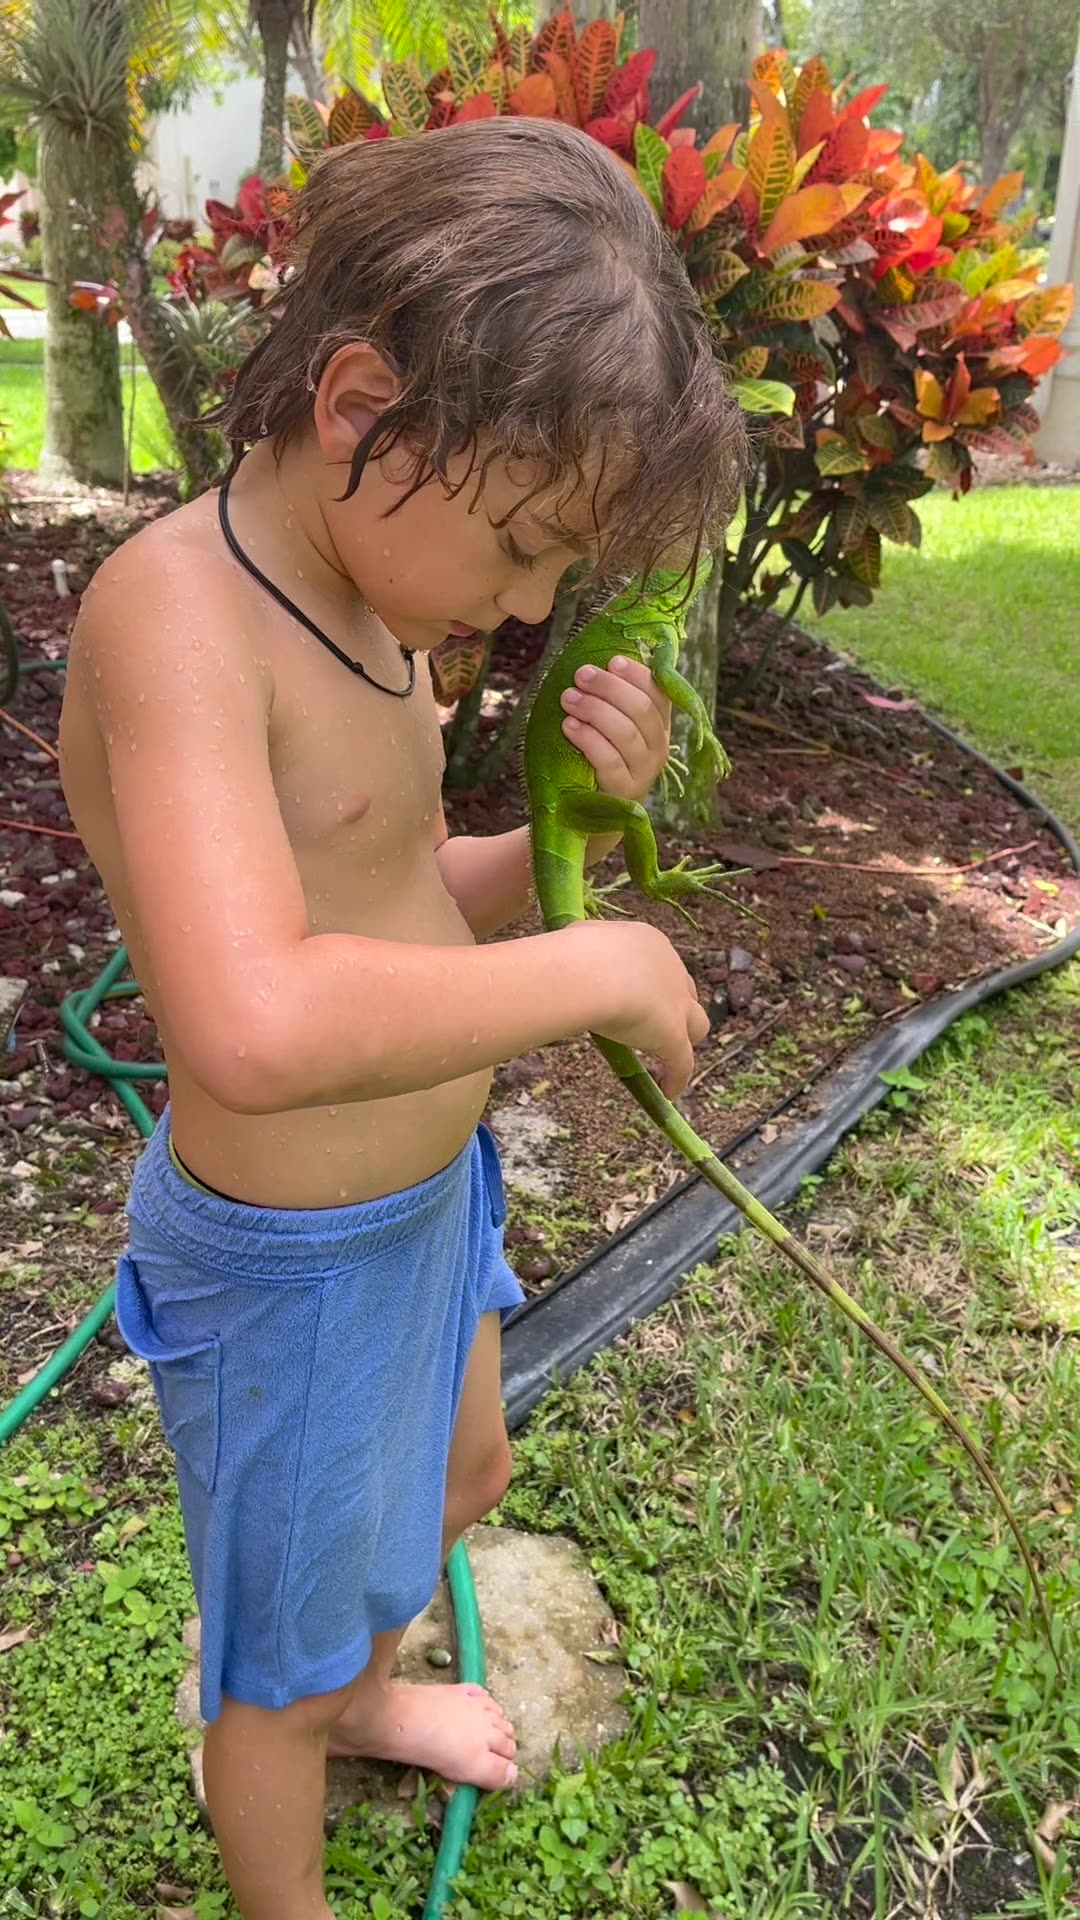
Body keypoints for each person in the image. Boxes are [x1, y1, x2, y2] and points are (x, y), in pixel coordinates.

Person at [58, 116, 744, 1920]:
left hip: (428, 1209)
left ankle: (363, 1693)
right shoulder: (179, 619)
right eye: (522, 547)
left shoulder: (372, 607)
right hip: (287, 1272)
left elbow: (400, 895)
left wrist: (566, 835)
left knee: (465, 1471)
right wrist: (592, 972)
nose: (530, 604)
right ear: (363, 405)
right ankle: (299, 1783)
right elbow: (250, 1017)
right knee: (266, 1671)